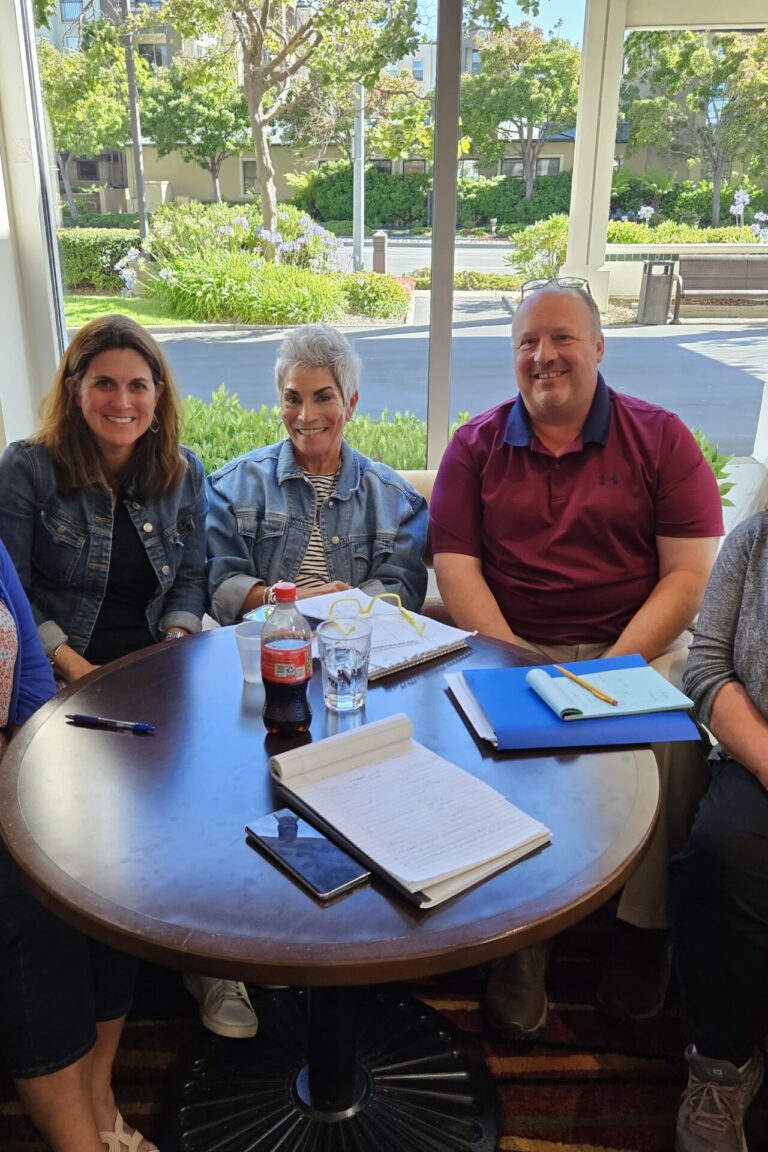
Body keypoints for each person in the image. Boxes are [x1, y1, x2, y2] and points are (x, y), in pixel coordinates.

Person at [429, 279, 723, 1035]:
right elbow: (457, 569)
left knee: (672, 735)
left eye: (561, 337)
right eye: (528, 341)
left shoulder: (661, 438)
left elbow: (688, 578)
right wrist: (516, 664)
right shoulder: (475, 445)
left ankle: (642, 934)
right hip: (513, 643)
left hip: (637, 642)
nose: (544, 355)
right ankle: (520, 944)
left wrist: (610, 674)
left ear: (598, 347)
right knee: (484, 736)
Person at [0, 315, 255, 1042]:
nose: (122, 401)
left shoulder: (183, 471)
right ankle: (102, 961)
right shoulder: (29, 468)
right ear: (75, 389)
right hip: (60, 676)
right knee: (95, 817)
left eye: (137, 385)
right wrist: (79, 671)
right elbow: (12, 593)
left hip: (158, 668)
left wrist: (174, 646)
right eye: (104, 383)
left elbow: (194, 580)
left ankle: (211, 953)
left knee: (227, 773)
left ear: (158, 393)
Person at [0, 536, 157, 1152]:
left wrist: (32, 771)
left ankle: (99, 1093)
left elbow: (32, 677)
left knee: (115, 841)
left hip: (11, 759)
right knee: (29, 897)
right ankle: (75, 1137)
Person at [206, 323, 428, 623]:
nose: (306, 416)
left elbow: (401, 594)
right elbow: (218, 586)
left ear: (350, 404)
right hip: (264, 653)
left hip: (356, 652)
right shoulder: (232, 488)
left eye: (323, 397)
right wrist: (290, 598)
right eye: (293, 398)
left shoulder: (397, 502)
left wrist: (333, 611)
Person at [672, 513, 768, 1152]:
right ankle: (721, 1063)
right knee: (717, 853)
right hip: (758, 759)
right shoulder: (753, 540)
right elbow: (706, 667)